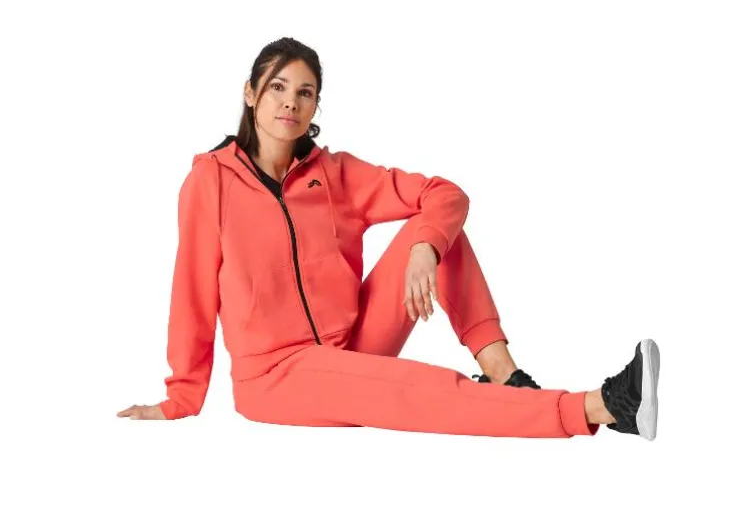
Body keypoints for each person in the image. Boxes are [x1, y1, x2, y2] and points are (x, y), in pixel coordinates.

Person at [117, 37, 660, 441]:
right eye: (278, 87)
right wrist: (181, 397)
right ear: (250, 93)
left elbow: (445, 194)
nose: (290, 103)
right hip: (277, 375)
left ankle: (505, 375)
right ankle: (599, 407)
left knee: (438, 230)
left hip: (352, 339)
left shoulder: (334, 174)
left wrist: (425, 246)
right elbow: (191, 292)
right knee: (412, 388)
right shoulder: (211, 181)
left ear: (315, 107)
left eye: (305, 93)